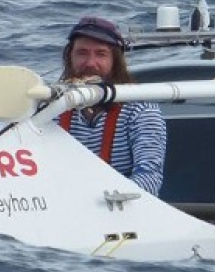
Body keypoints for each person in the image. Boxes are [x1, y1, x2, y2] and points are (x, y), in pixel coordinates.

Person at [57, 16, 166, 196]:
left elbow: (150, 179)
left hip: (120, 211)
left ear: (116, 61)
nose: (90, 63)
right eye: (82, 53)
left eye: (101, 54)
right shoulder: (51, 110)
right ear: (70, 57)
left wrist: (95, 201)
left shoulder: (140, 110)